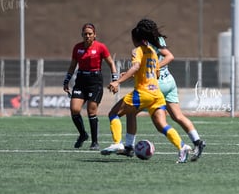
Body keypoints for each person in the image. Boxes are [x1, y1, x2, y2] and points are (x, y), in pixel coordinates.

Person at [102, 19, 205, 162]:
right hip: (157, 93)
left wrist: (118, 81)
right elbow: (155, 72)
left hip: (144, 92)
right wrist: (134, 74)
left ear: (135, 38)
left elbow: (137, 67)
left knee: (114, 113)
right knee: (163, 125)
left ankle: (119, 143)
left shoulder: (137, 50)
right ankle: (183, 146)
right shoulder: (153, 50)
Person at [63, 23, 118, 151]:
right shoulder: (77, 48)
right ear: (82, 35)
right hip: (81, 80)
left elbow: (111, 63)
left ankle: (94, 142)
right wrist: (66, 80)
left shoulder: (101, 47)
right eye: (85, 34)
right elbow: (72, 66)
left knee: (91, 111)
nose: (87, 36)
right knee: (74, 109)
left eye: (90, 34)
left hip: (95, 81)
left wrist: (115, 79)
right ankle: (83, 134)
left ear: (94, 35)